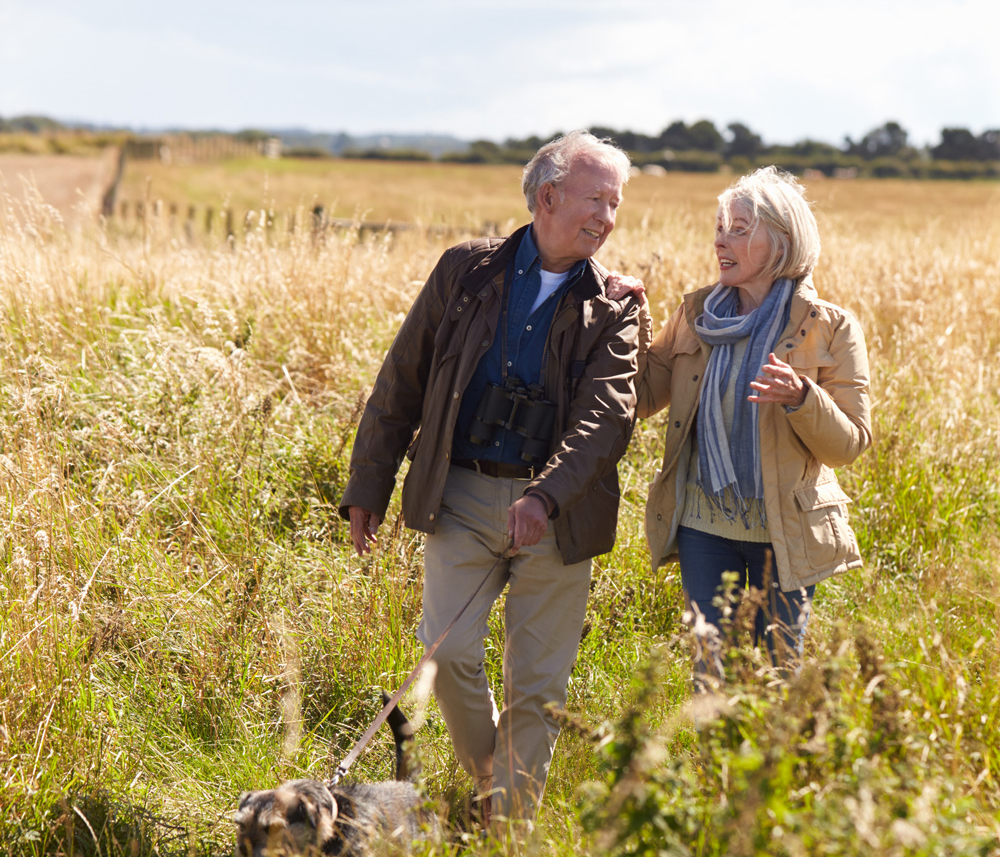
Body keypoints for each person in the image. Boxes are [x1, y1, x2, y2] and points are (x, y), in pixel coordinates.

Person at [340, 131, 640, 822]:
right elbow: (402, 380)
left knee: (537, 688)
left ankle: (505, 833)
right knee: (447, 660)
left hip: (558, 515)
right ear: (547, 196)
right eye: (596, 200)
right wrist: (369, 486)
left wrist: (546, 495)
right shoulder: (465, 273)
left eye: (615, 205)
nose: (607, 219)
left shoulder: (618, 304)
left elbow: (607, 417)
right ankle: (492, 786)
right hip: (463, 493)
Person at [611, 166, 871, 678]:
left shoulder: (830, 327)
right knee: (712, 671)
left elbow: (850, 444)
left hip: (786, 528)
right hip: (703, 526)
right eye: (719, 227)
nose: (720, 241)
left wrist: (802, 396)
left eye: (738, 228)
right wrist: (627, 316)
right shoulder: (696, 314)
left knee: (779, 673)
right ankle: (716, 761)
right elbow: (641, 397)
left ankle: (784, 761)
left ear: (782, 241)